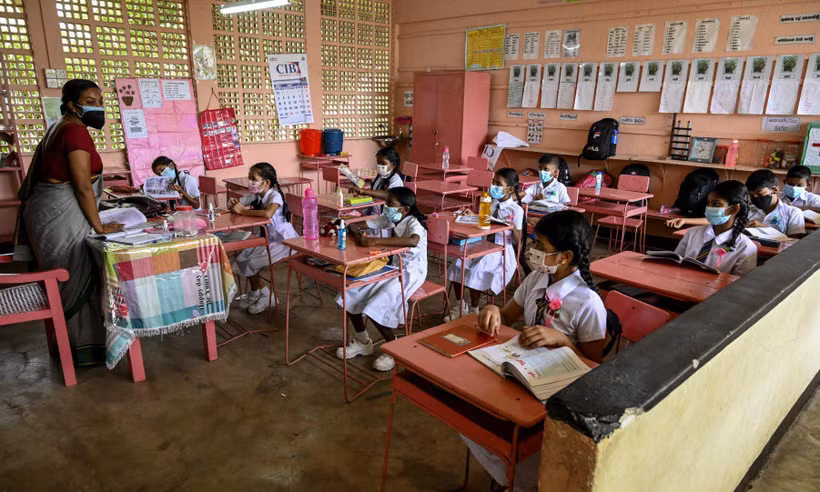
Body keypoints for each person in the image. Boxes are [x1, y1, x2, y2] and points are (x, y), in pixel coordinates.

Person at [467, 210, 606, 490]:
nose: (532, 251)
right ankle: (512, 474)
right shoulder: (536, 280)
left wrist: (563, 340)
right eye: (534, 243)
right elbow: (506, 316)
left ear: (565, 257)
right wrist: (493, 309)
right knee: (469, 407)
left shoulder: (587, 302)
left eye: (540, 246)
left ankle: (518, 478)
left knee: (497, 425)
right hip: (523, 369)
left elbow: (594, 366)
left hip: (559, 386)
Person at [16, 79, 123, 366]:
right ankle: (81, 351)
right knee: (75, 274)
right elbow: (82, 186)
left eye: (101, 102)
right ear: (74, 105)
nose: (98, 107)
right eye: (91, 101)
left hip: (47, 211)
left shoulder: (59, 126)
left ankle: (72, 346)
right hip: (59, 213)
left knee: (70, 275)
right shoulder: (75, 131)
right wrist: (99, 226)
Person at [335, 187, 428, 371]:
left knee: (378, 303)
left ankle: (393, 347)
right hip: (392, 266)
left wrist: (373, 242)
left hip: (412, 272)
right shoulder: (390, 219)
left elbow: (413, 241)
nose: (386, 207)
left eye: (390, 204)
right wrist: (351, 227)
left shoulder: (413, 222)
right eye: (386, 203)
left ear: (404, 209)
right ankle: (363, 342)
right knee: (351, 291)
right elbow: (361, 224)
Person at [445, 168, 524, 320]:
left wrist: (511, 227)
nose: (493, 186)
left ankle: (474, 309)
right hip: (482, 243)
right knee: (457, 264)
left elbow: (518, 239)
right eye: (493, 182)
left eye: (498, 184)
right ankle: (460, 306)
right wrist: (473, 216)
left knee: (476, 270)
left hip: (500, 250)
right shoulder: (490, 203)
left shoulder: (516, 210)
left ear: (510, 189)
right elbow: (483, 223)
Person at [228, 162, 297, 314]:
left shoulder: (275, 196)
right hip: (267, 238)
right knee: (241, 259)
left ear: (266, 182)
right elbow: (239, 204)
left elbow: (267, 214)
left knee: (251, 262)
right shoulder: (256, 195)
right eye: (249, 178)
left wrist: (243, 212)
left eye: (253, 179)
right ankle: (259, 294)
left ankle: (266, 296)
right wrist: (233, 203)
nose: (250, 182)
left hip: (284, 242)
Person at [667, 169, 805, 238]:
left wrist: (764, 228)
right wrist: (685, 220)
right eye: (751, 195)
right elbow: (718, 218)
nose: (755, 198)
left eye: (760, 194)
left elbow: (795, 244)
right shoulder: (747, 209)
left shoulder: (793, 213)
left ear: (775, 190)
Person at [673, 181, 757, 275]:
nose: (709, 208)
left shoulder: (746, 248)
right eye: (709, 203)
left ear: (734, 209)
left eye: (716, 204)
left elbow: (740, 285)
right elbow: (674, 264)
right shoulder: (692, 234)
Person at [351, 146, 405, 237]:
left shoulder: (396, 181)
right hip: (372, 212)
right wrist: (360, 189)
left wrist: (364, 191)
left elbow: (387, 195)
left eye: (383, 163)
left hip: (384, 218)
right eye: (378, 163)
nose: (379, 166)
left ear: (393, 164)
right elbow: (373, 191)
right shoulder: (379, 177)